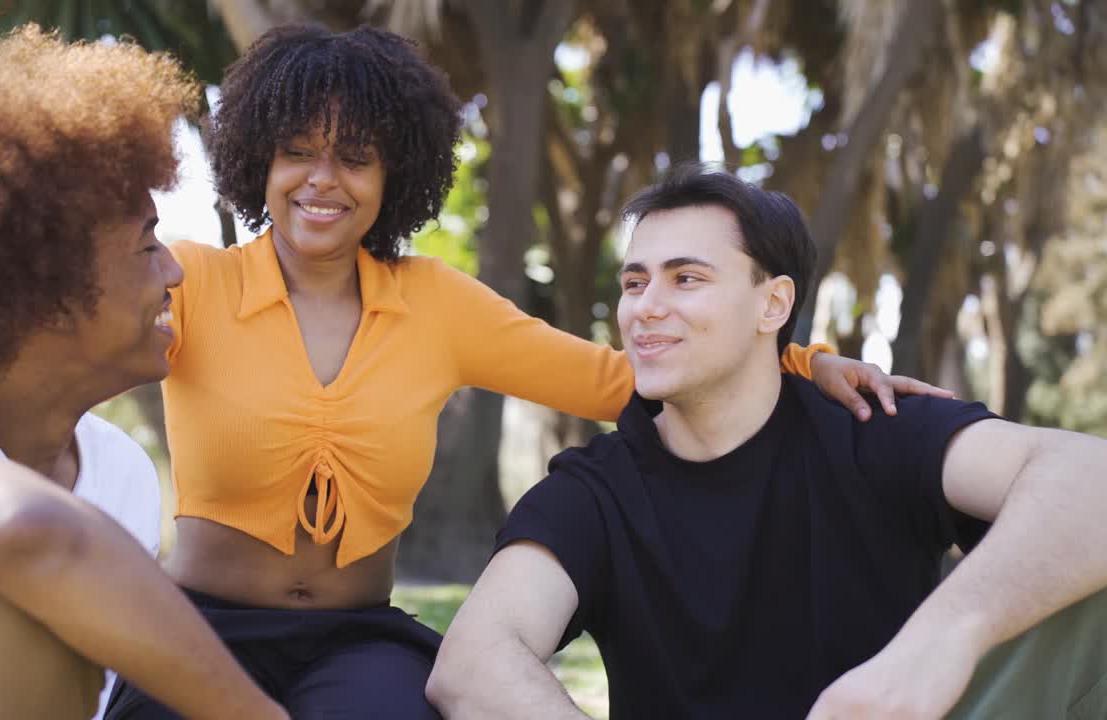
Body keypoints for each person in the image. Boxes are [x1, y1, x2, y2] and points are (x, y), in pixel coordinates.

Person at [102, 24, 952, 719]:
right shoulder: (189, 280)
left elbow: (620, 378)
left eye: (354, 157)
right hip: (199, 628)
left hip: (353, 642)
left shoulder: (436, 303)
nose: (323, 180)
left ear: (393, 173)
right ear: (258, 159)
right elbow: (59, 355)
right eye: (297, 152)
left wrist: (803, 358)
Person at [426, 164, 1107, 719]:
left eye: (686, 278)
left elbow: (1089, 479)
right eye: (635, 283)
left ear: (773, 304)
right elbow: (475, 661)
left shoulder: (873, 428)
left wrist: (943, 642)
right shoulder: (595, 489)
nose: (644, 308)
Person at [0, 27, 286, 720]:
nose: (176, 270)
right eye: (145, 245)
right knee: (23, 604)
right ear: (39, 289)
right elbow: (32, 532)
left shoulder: (121, 473)